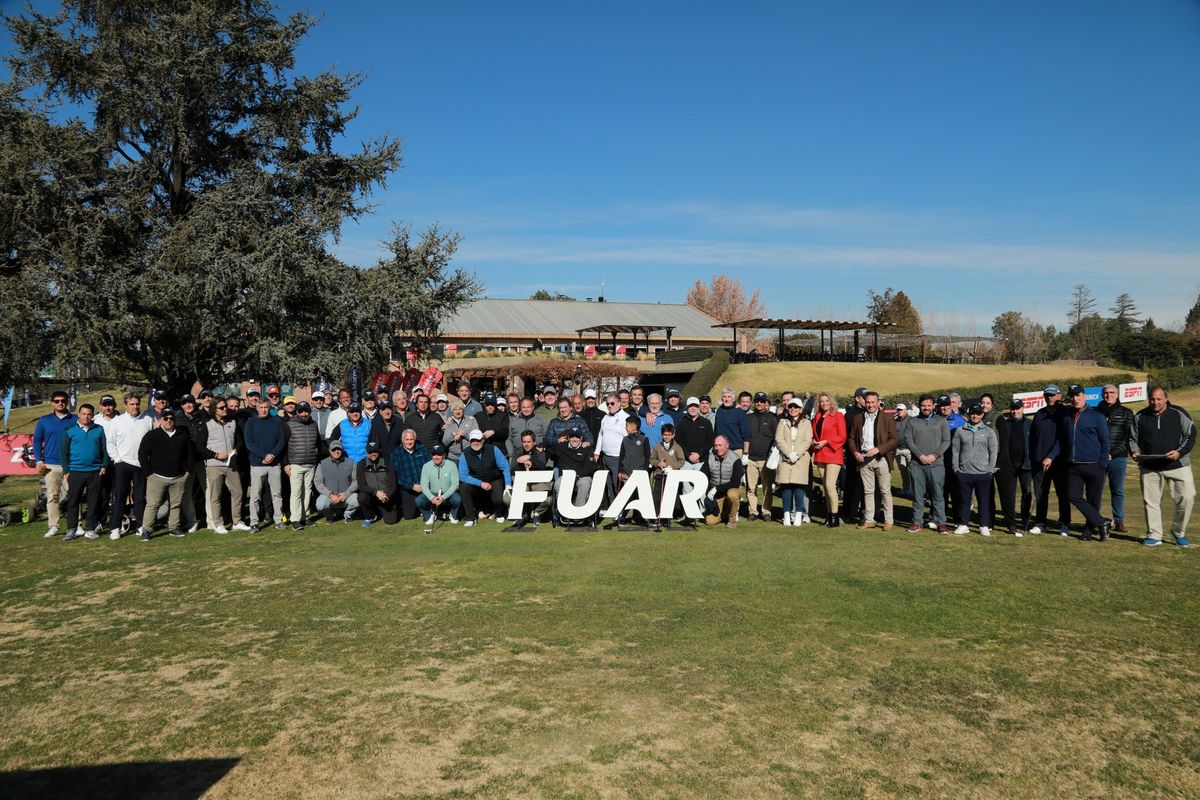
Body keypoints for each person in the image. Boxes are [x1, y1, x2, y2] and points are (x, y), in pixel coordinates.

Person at [1046, 384, 1111, 541]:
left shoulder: (1097, 416)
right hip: (1073, 466)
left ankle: (1089, 530)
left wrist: (1103, 464)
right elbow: (1061, 441)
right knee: (1073, 496)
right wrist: (1050, 456)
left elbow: (1105, 442)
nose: (1075, 399)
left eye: (1078, 395)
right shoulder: (1067, 416)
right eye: (1072, 396)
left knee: (1093, 500)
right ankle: (1102, 522)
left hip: (1094, 465)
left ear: (1085, 396)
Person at [1133, 386, 1195, 547]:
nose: (1155, 402)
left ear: (1166, 398)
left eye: (1159, 399)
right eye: (1152, 399)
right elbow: (1132, 439)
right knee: (1151, 503)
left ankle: (1178, 532)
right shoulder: (1140, 416)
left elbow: (1190, 435)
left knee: (1187, 498)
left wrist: (1179, 453)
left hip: (1178, 465)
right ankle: (1154, 534)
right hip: (1149, 467)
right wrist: (1134, 452)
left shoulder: (1179, 413)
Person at [135, 408, 193, 541]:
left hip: (178, 477)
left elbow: (190, 454)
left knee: (175, 504)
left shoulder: (182, 435)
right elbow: (142, 454)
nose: (169, 421)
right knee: (152, 505)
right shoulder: (152, 435)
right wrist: (148, 473)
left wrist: (188, 471)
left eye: (171, 418)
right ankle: (146, 530)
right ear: (160, 420)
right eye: (165, 418)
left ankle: (174, 527)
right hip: (157, 477)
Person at [200, 398, 251, 534]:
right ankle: (218, 524)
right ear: (214, 410)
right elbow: (200, 447)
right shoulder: (207, 424)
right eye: (221, 408)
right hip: (214, 465)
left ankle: (237, 521)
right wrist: (215, 455)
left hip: (231, 464)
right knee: (216, 495)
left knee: (238, 492)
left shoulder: (232, 423)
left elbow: (239, 441)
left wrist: (236, 450)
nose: (225, 410)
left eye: (225, 407)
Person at [848, 391, 897, 530]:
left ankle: (889, 520)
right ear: (864, 402)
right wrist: (855, 452)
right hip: (863, 459)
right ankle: (869, 520)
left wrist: (878, 449)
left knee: (885, 490)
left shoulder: (887, 418)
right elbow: (851, 438)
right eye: (868, 402)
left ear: (878, 402)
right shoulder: (858, 418)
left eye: (873, 402)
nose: (870, 405)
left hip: (881, 458)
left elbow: (894, 439)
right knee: (868, 491)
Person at [107, 393, 153, 540]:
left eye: (137, 404)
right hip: (123, 464)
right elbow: (110, 442)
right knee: (120, 497)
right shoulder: (117, 421)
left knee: (140, 497)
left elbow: (152, 442)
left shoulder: (147, 420)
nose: (135, 407)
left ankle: (140, 525)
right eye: (132, 404)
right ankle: (115, 528)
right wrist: (117, 459)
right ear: (125, 405)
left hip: (141, 464)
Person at [60, 403, 108, 540]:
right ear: (79, 414)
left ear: (93, 415)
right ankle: (72, 528)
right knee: (73, 501)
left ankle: (90, 528)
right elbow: (63, 453)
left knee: (93, 501)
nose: (86, 417)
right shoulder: (69, 430)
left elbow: (104, 450)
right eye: (84, 414)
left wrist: (104, 465)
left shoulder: (99, 429)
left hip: (95, 471)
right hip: (75, 471)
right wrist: (66, 470)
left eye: (89, 414)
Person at [903, 394, 951, 533]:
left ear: (933, 406)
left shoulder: (941, 421)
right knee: (918, 496)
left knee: (938, 496)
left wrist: (935, 455)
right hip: (917, 465)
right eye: (923, 405)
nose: (926, 408)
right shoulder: (913, 422)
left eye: (929, 405)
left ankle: (941, 522)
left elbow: (946, 441)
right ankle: (917, 522)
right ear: (919, 406)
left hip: (936, 465)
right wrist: (920, 455)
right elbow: (908, 440)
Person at [33, 389, 77, 538]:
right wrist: (39, 460)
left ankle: (76, 525)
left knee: (74, 496)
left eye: (63, 401)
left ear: (67, 402)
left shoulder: (75, 419)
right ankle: (54, 526)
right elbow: (37, 441)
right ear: (52, 403)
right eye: (57, 401)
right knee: (52, 496)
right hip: (51, 465)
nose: (60, 403)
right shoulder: (44, 420)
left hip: (72, 464)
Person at [951, 403, 998, 536]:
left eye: (978, 413)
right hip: (964, 473)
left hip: (983, 473)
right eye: (973, 413)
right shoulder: (960, 430)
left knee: (983, 501)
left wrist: (989, 470)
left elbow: (993, 452)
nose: (975, 416)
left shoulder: (989, 432)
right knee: (965, 501)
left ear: (982, 415)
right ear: (968, 414)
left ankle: (983, 525)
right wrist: (956, 469)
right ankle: (963, 524)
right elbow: (955, 451)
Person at [1028, 385, 1070, 536]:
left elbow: (1064, 439)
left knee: (1063, 494)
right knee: (1040, 494)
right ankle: (1040, 522)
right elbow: (1033, 437)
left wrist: (1051, 456)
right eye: (1047, 395)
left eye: (1052, 395)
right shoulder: (1039, 413)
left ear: (1059, 395)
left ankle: (1064, 523)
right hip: (1039, 462)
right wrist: (1033, 457)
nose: (1050, 398)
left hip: (1059, 462)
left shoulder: (1066, 414)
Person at [1096, 384, 1137, 533]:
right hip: (1098, 458)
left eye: (1112, 392)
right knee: (1096, 490)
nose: (1109, 395)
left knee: (1117, 490)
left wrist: (1112, 454)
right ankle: (1095, 519)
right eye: (1106, 393)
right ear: (1102, 395)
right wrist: (1100, 453)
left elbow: (1129, 437)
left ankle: (1119, 521)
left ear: (1117, 394)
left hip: (1118, 458)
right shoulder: (1095, 412)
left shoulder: (1126, 413)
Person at [244, 396, 286, 530]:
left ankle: (278, 520)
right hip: (257, 464)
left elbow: (281, 441)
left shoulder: (276, 422)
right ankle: (254, 522)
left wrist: (272, 455)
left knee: (276, 494)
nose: (264, 410)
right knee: (255, 495)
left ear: (270, 408)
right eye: (261, 408)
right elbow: (249, 443)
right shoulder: (251, 422)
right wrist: (264, 455)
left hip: (274, 464)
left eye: (266, 407)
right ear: (257, 408)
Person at [283, 401, 325, 530]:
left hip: (311, 463)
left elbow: (318, 443)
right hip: (295, 464)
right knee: (296, 492)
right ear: (297, 412)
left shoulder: (314, 424)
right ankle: (295, 519)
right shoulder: (289, 425)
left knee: (307, 491)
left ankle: (304, 517)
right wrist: (286, 464)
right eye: (301, 411)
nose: (303, 413)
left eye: (306, 411)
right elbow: (284, 446)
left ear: (309, 412)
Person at [995, 399, 1033, 535]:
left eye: (1017, 408)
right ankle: (1011, 523)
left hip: (1026, 464)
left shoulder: (1030, 424)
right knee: (1009, 494)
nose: (1014, 411)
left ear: (1022, 409)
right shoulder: (1005, 424)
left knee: (1026, 492)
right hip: (1008, 464)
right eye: (1012, 408)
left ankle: (1025, 518)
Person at [458, 429, 512, 525]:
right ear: (469, 441)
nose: (475, 443)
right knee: (463, 488)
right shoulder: (464, 454)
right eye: (473, 440)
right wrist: (480, 483)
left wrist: (508, 484)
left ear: (483, 440)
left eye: (478, 440)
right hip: (476, 482)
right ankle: (471, 518)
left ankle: (499, 514)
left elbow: (505, 466)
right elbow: (463, 476)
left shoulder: (493, 449)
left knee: (499, 499)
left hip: (494, 479)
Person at [810, 392, 847, 528]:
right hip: (820, 454)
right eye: (821, 401)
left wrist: (826, 441)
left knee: (830, 486)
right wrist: (815, 441)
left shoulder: (838, 416)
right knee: (826, 487)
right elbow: (815, 434)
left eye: (826, 400)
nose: (824, 403)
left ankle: (835, 517)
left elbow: (842, 437)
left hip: (833, 454)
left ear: (831, 402)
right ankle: (828, 515)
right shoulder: (817, 417)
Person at [775, 398, 813, 527]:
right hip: (786, 458)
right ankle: (786, 514)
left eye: (795, 407)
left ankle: (798, 514)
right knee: (786, 488)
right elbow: (779, 439)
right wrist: (789, 453)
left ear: (800, 409)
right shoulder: (782, 422)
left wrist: (796, 454)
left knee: (799, 488)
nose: (793, 409)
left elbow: (808, 441)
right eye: (790, 407)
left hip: (800, 459)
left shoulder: (806, 423)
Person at [612, 414, 651, 527]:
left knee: (640, 496)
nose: (625, 427)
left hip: (640, 473)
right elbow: (621, 456)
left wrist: (644, 471)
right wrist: (620, 471)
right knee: (627, 496)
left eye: (627, 425)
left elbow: (647, 456)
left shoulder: (644, 439)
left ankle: (641, 517)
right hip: (627, 473)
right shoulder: (625, 439)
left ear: (634, 427)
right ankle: (627, 516)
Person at [745, 391, 779, 521]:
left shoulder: (772, 419)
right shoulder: (749, 418)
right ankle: (752, 511)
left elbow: (776, 438)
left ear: (766, 403)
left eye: (762, 401)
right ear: (754, 403)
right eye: (757, 401)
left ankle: (766, 512)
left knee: (767, 488)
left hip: (766, 459)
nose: (759, 403)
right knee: (751, 488)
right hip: (751, 458)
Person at [511, 430, 553, 527]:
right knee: (509, 498)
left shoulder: (539, 451)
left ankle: (536, 512)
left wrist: (529, 458)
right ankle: (524, 514)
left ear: (534, 442)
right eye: (524, 442)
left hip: (538, 484)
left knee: (549, 499)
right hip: (523, 484)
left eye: (529, 442)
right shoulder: (517, 452)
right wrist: (521, 464)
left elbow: (542, 466)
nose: (526, 444)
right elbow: (512, 469)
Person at [938, 393, 968, 524]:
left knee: (956, 493)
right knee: (939, 492)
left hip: (955, 462)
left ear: (952, 406)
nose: (945, 408)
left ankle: (957, 520)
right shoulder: (934, 419)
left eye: (947, 405)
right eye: (942, 406)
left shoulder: (960, 421)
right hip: (938, 461)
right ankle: (940, 518)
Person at [702, 435, 745, 527]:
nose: (717, 448)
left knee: (732, 494)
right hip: (717, 494)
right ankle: (724, 514)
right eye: (715, 445)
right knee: (709, 522)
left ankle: (732, 520)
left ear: (727, 445)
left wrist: (716, 488)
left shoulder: (735, 459)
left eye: (720, 445)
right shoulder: (710, 457)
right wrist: (708, 491)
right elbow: (703, 475)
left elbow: (735, 483)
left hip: (733, 489)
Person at [841, 388, 869, 525]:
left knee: (867, 486)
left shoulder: (871, 413)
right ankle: (848, 513)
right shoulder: (849, 415)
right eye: (864, 398)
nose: (867, 400)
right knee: (851, 485)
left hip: (869, 455)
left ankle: (866, 513)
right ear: (857, 398)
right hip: (853, 455)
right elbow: (846, 436)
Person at [649, 423, 685, 529]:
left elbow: (681, 461)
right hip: (660, 475)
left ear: (673, 435)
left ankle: (666, 519)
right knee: (657, 497)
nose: (667, 437)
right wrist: (659, 464)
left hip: (672, 476)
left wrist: (670, 466)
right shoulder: (657, 446)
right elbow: (652, 459)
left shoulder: (677, 447)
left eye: (669, 435)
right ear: (662, 435)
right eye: (665, 435)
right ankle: (656, 517)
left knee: (670, 498)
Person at [389, 429, 430, 521]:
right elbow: (396, 476)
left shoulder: (423, 450)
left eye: (411, 439)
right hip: (408, 490)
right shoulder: (396, 454)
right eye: (407, 439)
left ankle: (427, 509)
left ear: (415, 439)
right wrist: (412, 486)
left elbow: (431, 468)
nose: (409, 442)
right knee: (409, 516)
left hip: (425, 487)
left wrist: (425, 484)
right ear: (402, 440)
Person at [417, 444, 461, 528]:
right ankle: (430, 516)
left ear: (444, 455)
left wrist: (443, 497)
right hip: (433, 493)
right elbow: (424, 485)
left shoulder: (451, 465)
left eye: (439, 454)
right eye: (434, 454)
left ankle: (452, 514)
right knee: (419, 501)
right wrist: (431, 497)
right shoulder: (426, 466)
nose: (436, 457)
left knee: (457, 499)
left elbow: (455, 484)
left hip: (448, 494)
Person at [594, 394, 628, 499]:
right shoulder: (605, 417)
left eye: (612, 403)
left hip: (617, 458)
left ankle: (621, 509)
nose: (609, 406)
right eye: (607, 403)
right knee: (609, 484)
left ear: (618, 403)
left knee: (617, 484)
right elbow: (601, 435)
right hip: (605, 457)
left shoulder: (625, 417)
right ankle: (613, 508)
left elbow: (627, 439)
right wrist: (597, 452)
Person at [356, 441, 397, 526]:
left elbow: (392, 485)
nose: (373, 454)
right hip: (371, 496)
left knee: (391, 521)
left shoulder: (387, 463)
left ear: (379, 451)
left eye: (375, 451)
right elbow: (361, 486)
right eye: (370, 452)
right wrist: (376, 492)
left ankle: (381, 511)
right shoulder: (361, 464)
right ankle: (370, 516)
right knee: (362, 497)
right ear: (366, 452)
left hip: (385, 497)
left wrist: (386, 495)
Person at [315, 440, 358, 522]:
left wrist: (346, 493)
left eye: (338, 449)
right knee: (320, 504)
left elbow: (356, 481)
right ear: (329, 451)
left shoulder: (351, 462)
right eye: (334, 450)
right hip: (330, 497)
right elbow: (318, 482)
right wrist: (330, 494)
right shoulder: (322, 464)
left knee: (357, 499)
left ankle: (347, 515)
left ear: (342, 450)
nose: (336, 451)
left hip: (345, 496)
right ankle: (330, 515)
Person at [675, 396, 714, 470]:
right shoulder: (681, 423)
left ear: (699, 407)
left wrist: (699, 455)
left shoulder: (706, 423)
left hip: (702, 461)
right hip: (685, 461)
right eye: (690, 406)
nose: (693, 408)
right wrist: (688, 455)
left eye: (695, 406)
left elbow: (710, 441)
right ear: (687, 408)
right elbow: (678, 442)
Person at [714, 387, 750, 457]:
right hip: (720, 451)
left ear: (733, 399)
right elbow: (716, 431)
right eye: (724, 396)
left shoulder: (740, 412)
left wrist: (745, 453)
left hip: (735, 451)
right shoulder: (719, 411)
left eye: (729, 397)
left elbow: (747, 434)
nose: (726, 399)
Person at [892, 403, 913, 497]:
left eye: (901, 410)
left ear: (906, 410)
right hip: (898, 449)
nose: (899, 412)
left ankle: (914, 490)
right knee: (903, 471)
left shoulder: (912, 420)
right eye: (898, 410)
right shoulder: (894, 421)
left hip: (910, 449)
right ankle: (906, 489)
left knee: (912, 471)